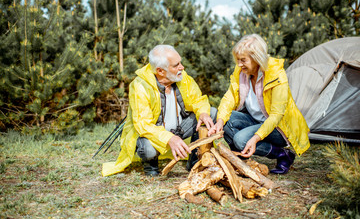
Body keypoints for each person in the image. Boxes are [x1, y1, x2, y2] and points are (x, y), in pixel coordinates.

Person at [102, 45, 216, 177]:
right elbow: (143, 125)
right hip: (154, 133)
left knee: (211, 113)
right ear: (160, 71)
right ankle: (151, 164)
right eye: (176, 65)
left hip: (180, 129)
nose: (182, 67)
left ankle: (195, 160)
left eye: (180, 62)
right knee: (148, 149)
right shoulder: (140, 86)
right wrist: (169, 138)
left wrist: (202, 112)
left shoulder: (182, 77)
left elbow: (198, 100)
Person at [209, 34, 310, 174]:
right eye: (237, 60)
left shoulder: (276, 75)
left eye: (243, 60)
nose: (239, 64)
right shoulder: (241, 72)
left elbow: (276, 116)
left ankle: (282, 154)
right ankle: (239, 158)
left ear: (257, 58)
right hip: (255, 121)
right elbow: (229, 97)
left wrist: (255, 138)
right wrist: (220, 121)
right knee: (225, 119)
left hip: (279, 127)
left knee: (240, 140)